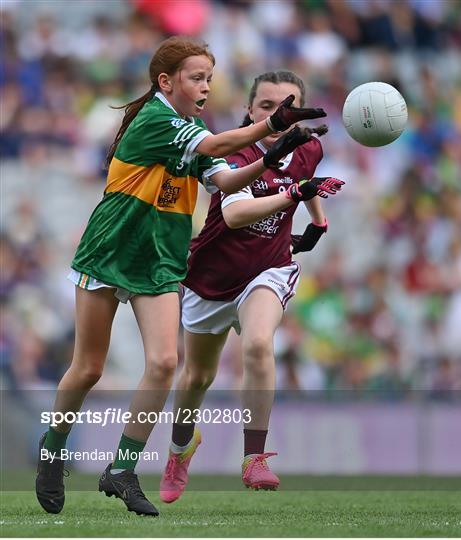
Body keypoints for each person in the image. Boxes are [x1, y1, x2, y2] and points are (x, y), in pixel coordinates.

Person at [35, 38, 329, 517]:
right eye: (196, 77)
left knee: (165, 363)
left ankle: (123, 470)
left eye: (209, 78)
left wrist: (271, 159)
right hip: (111, 251)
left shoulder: (191, 127)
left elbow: (224, 179)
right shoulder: (156, 120)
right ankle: (52, 451)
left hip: (160, 259)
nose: (205, 86)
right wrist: (272, 125)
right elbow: (215, 147)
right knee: (88, 367)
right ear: (166, 82)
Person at [159, 71, 344, 503]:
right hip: (212, 275)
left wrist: (318, 221)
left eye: (287, 105)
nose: (277, 113)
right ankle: (179, 449)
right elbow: (238, 215)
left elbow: (307, 175)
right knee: (197, 375)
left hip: (269, 266)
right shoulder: (230, 149)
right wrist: (298, 195)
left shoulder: (309, 145)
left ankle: (254, 457)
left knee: (259, 344)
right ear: (250, 111)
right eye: (266, 106)